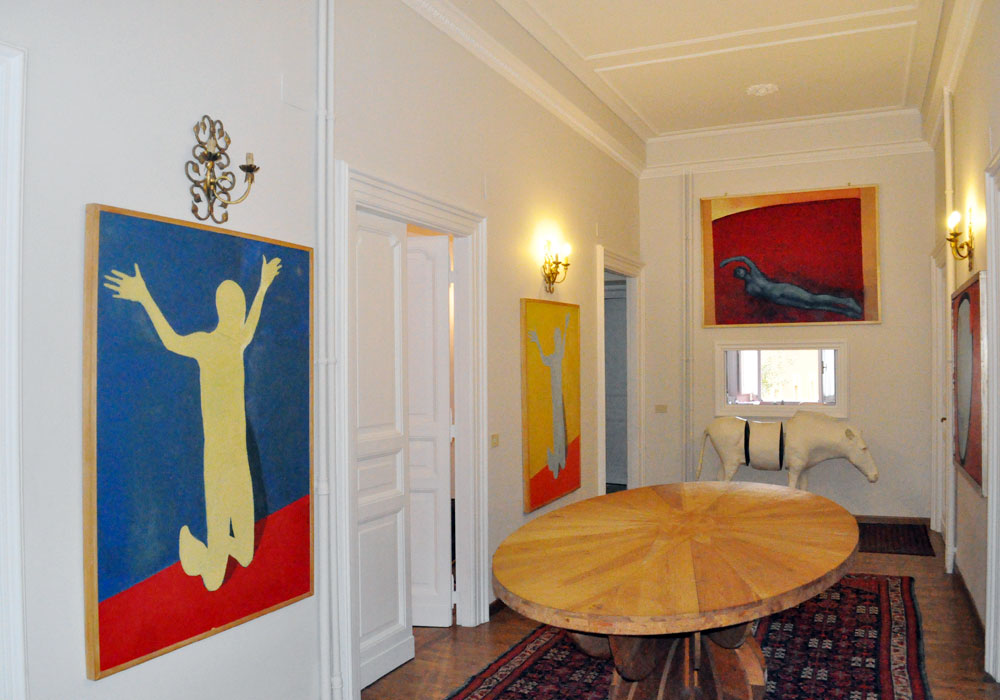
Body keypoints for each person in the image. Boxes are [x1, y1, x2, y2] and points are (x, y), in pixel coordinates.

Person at [104, 255, 281, 591]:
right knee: (213, 582)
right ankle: (195, 554)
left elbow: (252, 322)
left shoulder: (237, 342)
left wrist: (263, 285)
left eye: (241, 306)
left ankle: (211, 550)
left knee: (245, 555)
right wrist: (145, 297)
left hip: (238, 457)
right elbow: (171, 340)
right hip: (217, 458)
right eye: (235, 307)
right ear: (223, 310)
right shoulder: (206, 344)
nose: (240, 313)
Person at [719, 255, 862, 318]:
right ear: (738, 277)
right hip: (777, 299)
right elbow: (762, 298)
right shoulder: (748, 289)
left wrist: (727, 261)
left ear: (744, 270)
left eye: (739, 270)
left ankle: (846, 302)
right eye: (737, 273)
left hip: (781, 289)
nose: (739, 273)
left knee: (811, 298)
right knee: (808, 306)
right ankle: (844, 312)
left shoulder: (755, 274)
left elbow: (744, 258)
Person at [527, 313, 571, 479]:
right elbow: (543, 358)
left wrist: (565, 325)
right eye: (555, 338)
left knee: (558, 424)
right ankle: (558, 458)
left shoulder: (558, 355)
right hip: (554, 395)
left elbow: (563, 341)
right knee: (556, 424)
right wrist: (537, 341)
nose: (556, 340)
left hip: (557, 394)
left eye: (557, 338)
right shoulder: (554, 356)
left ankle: (559, 457)